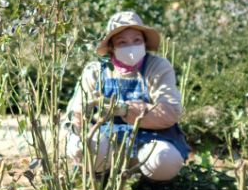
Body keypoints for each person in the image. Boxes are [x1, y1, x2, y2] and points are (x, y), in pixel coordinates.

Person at [64, 11, 190, 181]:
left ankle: (149, 182)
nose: (131, 46)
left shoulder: (157, 66)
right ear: (111, 47)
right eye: (122, 42)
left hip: (150, 139)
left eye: (136, 40)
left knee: (165, 160)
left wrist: (125, 109)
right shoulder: (95, 71)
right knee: (84, 147)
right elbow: (76, 113)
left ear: (144, 42)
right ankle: (101, 176)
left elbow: (171, 111)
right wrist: (78, 133)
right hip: (107, 141)